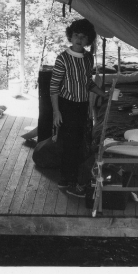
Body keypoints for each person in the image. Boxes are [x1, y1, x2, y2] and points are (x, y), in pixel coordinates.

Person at [50, 18, 107, 197]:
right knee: (70, 145)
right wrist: (56, 111)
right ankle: (69, 183)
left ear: (88, 39)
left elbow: (87, 83)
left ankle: (68, 180)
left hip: (82, 106)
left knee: (79, 143)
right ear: (70, 36)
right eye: (76, 35)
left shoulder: (88, 58)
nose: (79, 39)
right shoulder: (63, 58)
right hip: (67, 106)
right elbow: (53, 87)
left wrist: (103, 94)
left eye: (83, 37)